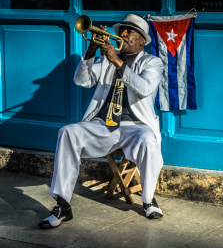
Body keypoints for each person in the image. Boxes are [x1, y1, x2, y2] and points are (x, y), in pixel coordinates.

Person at [38, 14, 164, 229]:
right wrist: (91, 52)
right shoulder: (105, 59)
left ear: (142, 40)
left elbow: (144, 88)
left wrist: (116, 60)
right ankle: (62, 204)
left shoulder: (152, 61)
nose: (122, 34)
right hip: (103, 125)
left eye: (129, 32)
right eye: (121, 30)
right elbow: (82, 80)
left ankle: (149, 200)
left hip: (136, 127)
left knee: (149, 140)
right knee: (67, 132)